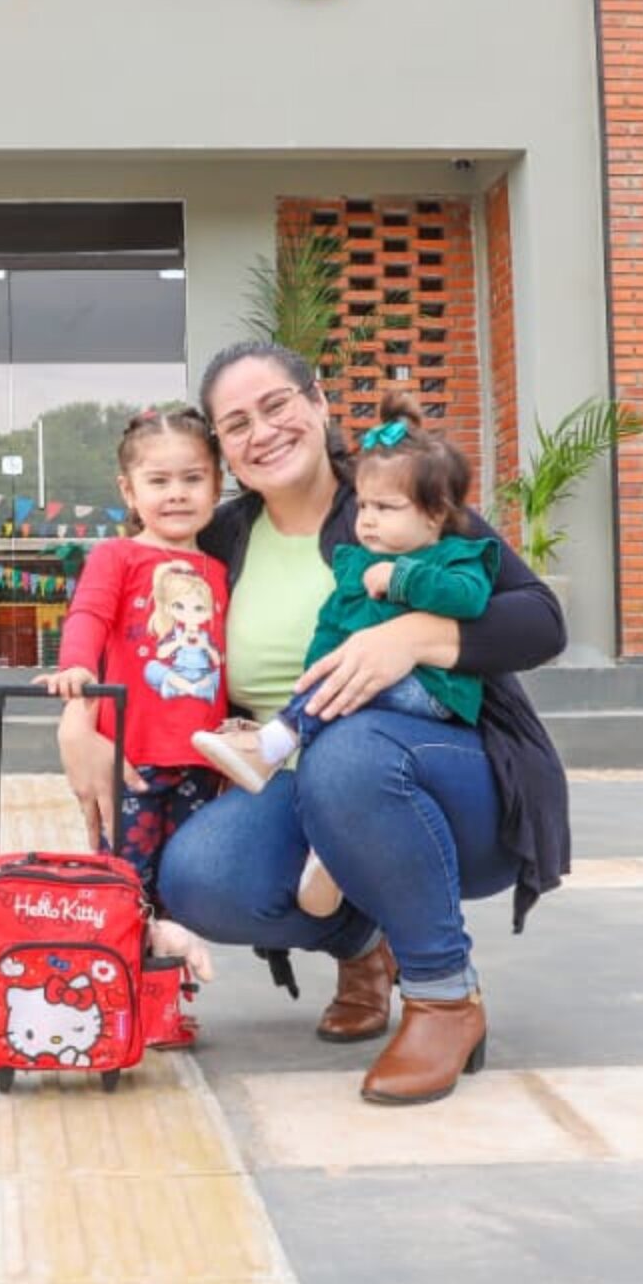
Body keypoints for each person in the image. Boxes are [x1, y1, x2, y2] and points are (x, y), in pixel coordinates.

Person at [57, 342, 571, 1106]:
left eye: (275, 406)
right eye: (236, 425)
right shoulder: (220, 539)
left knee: (350, 753)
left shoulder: (391, 497)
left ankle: (443, 996)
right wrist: (83, 720)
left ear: (318, 401)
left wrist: (412, 637)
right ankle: (363, 939)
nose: (261, 432)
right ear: (223, 451)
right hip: (298, 780)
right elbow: (132, 636)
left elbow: (541, 620)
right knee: (197, 874)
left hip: (445, 775)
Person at [191, 395, 498, 925]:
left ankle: (275, 742)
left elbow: (476, 600)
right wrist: (314, 679)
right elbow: (331, 627)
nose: (369, 521)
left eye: (386, 509)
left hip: (428, 699)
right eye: (364, 507)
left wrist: (403, 581)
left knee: (350, 735)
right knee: (336, 720)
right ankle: (332, 864)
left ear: (435, 514)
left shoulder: (453, 552)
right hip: (345, 731)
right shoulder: (345, 559)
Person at [36, 405, 228, 980]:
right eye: (159, 480)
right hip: (131, 759)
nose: (176, 494)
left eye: (193, 479)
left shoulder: (219, 569)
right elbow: (88, 616)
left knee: (179, 889)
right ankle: (113, 992)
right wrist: (75, 669)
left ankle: (166, 999)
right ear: (129, 489)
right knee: (124, 879)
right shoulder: (116, 555)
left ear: (217, 483)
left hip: (201, 760)